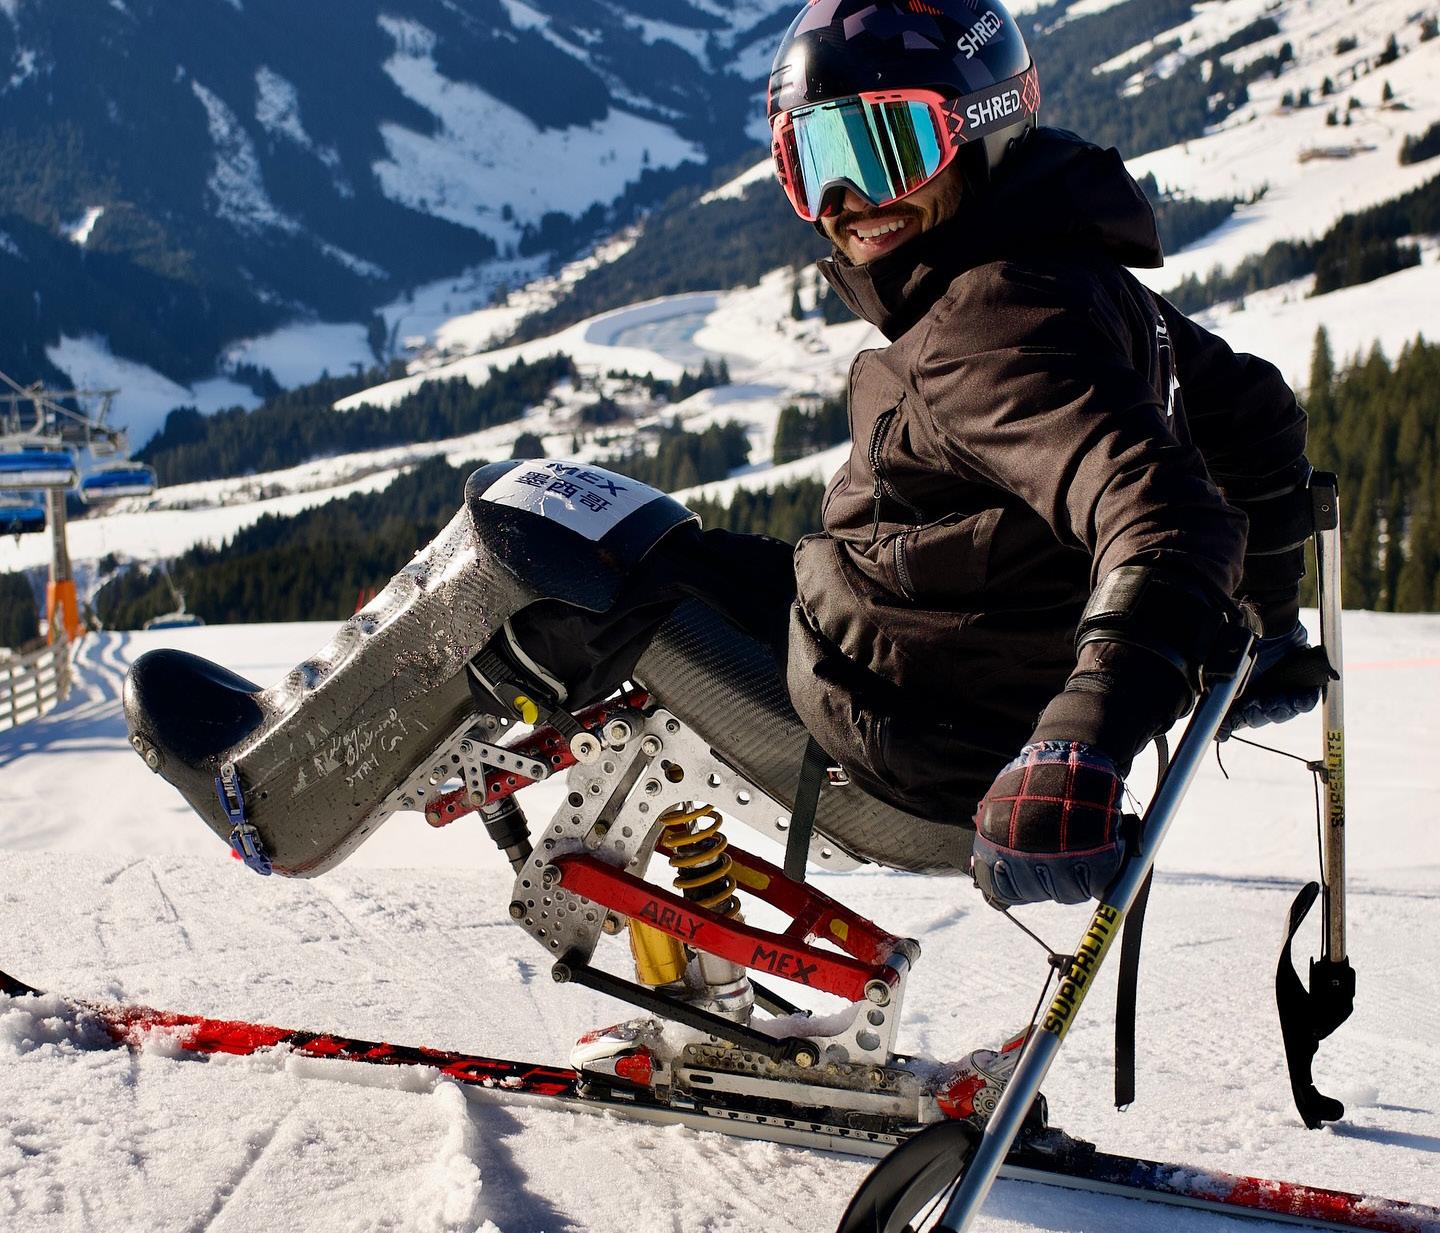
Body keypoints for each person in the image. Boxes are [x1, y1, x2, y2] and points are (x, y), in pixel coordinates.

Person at [766, 0, 1332, 907]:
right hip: (948, 643)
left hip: (911, 718)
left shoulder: (986, 327)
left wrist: (1079, 739)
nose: (848, 201)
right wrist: (1265, 621)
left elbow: (1166, 518)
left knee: (579, 563)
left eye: (884, 148)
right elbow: (1253, 411)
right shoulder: (1054, 264)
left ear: (982, 127)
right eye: (811, 161)